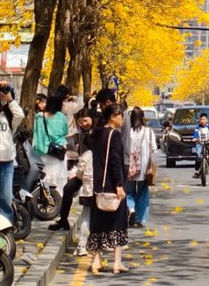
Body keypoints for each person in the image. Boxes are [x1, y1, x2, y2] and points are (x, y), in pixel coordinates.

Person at [88, 102, 128, 275]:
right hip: (112, 185)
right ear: (112, 117)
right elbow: (115, 161)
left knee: (98, 223)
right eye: (121, 116)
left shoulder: (97, 134)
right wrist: (119, 184)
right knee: (118, 223)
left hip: (98, 186)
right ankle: (117, 263)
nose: (123, 119)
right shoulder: (114, 135)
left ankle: (96, 261)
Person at [49, 106, 95, 233]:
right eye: (81, 121)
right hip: (83, 170)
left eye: (86, 120)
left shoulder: (97, 133)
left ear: (92, 118)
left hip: (94, 172)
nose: (83, 124)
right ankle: (63, 221)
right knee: (68, 188)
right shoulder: (81, 133)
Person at [0, 82, 25, 221]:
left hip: (7, 163)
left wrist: (10, 100)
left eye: (6, 92)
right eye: (0, 93)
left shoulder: (10, 117)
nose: (2, 94)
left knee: (6, 197)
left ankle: (6, 224)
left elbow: (20, 115)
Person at [33, 92, 69, 196]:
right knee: (58, 180)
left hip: (42, 153)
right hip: (57, 152)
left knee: (44, 178)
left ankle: (45, 198)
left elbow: (36, 132)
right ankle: (57, 199)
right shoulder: (62, 117)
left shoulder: (39, 116)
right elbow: (65, 132)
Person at [126, 106, 154, 228]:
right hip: (144, 168)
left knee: (128, 192)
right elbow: (153, 148)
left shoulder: (128, 132)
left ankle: (131, 208)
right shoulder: (148, 132)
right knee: (143, 193)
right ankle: (140, 219)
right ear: (142, 117)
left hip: (129, 166)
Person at [191, 112, 209, 178]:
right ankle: (197, 166)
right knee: (199, 155)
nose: (202, 121)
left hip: (207, 142)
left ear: (207, 120)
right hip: (199, 143)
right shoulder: (197, 127)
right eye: (201, 119)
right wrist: (195, 138)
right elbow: (196, 134)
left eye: (204, 119)